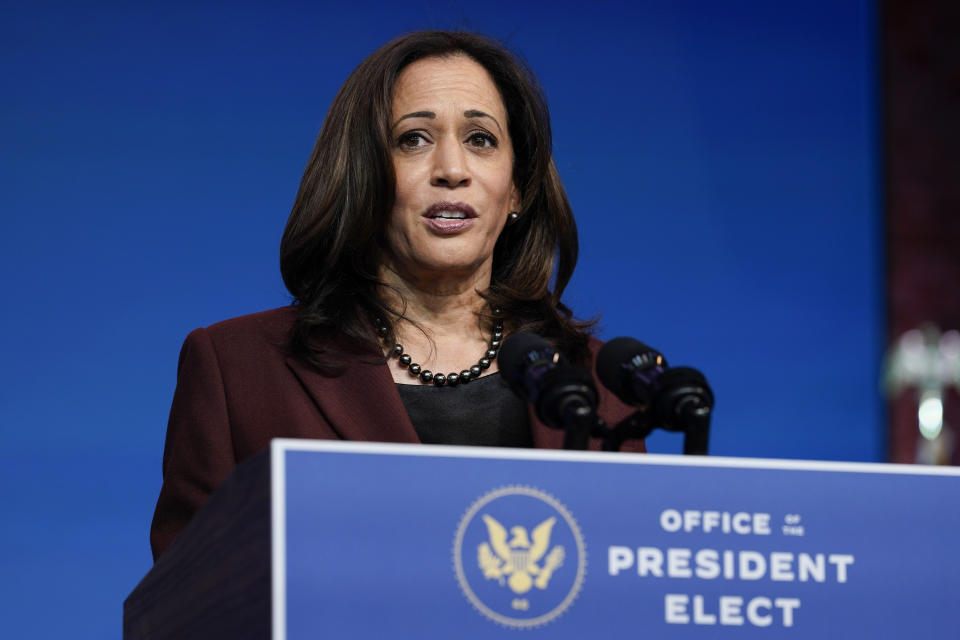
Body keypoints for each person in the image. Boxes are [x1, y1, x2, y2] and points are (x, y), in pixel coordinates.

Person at [150, 30, 644, 562]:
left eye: (480, 139)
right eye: (413, 139)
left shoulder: (598, 383)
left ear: (517, 188)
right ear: (364, 177)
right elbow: (189, 604)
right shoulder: (239, 370)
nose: (452, 170)